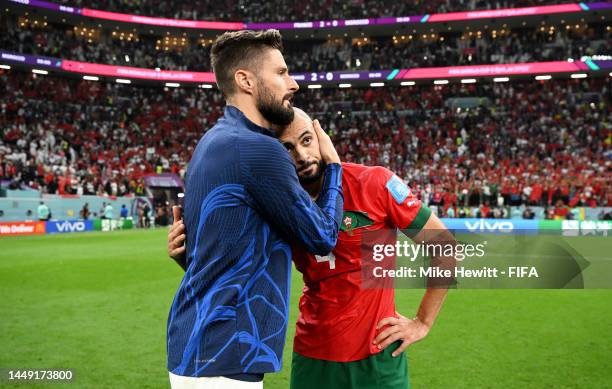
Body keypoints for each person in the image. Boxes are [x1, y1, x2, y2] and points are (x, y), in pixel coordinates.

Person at [168, 108, 454, 389]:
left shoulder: (375, 183)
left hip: (378, 356)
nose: (302, 156)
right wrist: (189, 258)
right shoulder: (274, 206)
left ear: (321, 137)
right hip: (313, 358)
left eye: (306, 140)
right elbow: (239, 274)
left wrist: (422, 322)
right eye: (287, 148)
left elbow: (444, 246)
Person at [166, 30, 344, 389]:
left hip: (198, 345)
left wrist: (183, 255)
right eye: (281, 72)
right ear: (245, 80)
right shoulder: (260, 150)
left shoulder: (209, 143)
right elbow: (323, 236)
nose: (292, 84)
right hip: (226, 352)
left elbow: (211, 254)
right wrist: (334, 167)